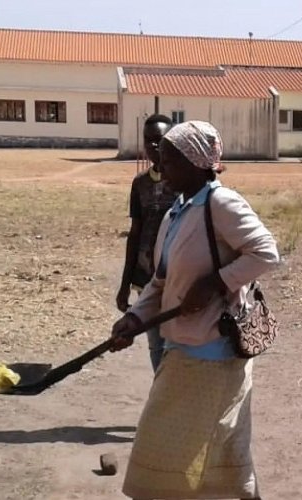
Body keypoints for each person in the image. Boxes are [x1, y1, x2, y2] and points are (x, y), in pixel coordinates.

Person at [110, 120, 279, 499]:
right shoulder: (176, 213)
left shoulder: (221, 203)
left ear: (193, 161)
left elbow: (266, 253)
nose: (161, 165)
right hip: (181, 351)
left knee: (202, 448)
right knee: (208, 449)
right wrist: (134, 318)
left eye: (168, 158)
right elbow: (160, 282)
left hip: (215, 356)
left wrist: (217, 281)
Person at [116, 114, 176, 372]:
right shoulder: (140, 184)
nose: (153, 147)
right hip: (145, 278)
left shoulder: (184, 183)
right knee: (156, 343)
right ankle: (161, 394)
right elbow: (135, 233)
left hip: (176, 275)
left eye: (159, 141)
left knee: (177, 341)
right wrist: (125, 284)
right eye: (148, 141)